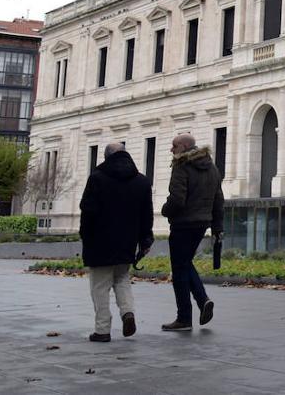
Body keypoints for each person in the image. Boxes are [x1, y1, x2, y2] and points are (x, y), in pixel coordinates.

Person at [78, 141, 153, 343]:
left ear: (106, 157)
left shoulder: (97, 178)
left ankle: (102, 329)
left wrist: (85, 236)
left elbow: (88, 212)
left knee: (100, 286)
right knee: (122, 279)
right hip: (127, 242)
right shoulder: (142, 182)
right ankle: (128, 312)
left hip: (99, 241)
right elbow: (147, 215)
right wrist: (145, 239)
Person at [160, 132, 224, 331]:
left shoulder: (181, 166)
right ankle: (202, 301)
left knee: (179, 269)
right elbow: (218, 201)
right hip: (202, 223)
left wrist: (165, 210)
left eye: (174, 146)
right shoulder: (212, 168)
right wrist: (217, 227)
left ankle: (184, 318)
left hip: (182, 224)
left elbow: (177, 199)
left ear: (184, 147)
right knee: (185, 263)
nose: (172, 150)